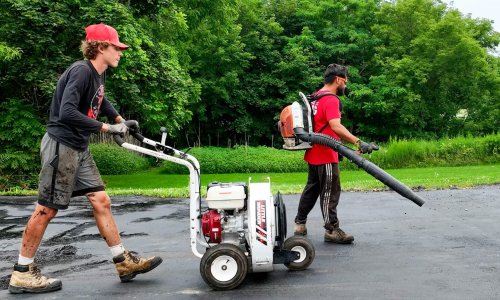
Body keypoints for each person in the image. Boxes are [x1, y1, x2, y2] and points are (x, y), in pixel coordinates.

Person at [8, 24, 162, 294]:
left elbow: (100, 101)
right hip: (61, 146)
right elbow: (67, 112)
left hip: (79, 147)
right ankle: (22, 272)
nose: (121, 53)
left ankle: (123, 262)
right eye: (117, 47)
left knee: (101, 200)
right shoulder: (81, 70)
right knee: (46, 209)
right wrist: (106, 128)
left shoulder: (98, 75)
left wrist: (120, 121)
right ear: (101, 47)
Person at [294, 63, 378, 244]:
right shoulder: (331, 99)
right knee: (330, 192)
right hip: (326, 153)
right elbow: (336, 126)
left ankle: (299, 224)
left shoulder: (315, 97)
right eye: (345, 81)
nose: (346, 85)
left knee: (312, 189)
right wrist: (359, 142)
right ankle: (332, 230)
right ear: (338, 80)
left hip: (313, 152)